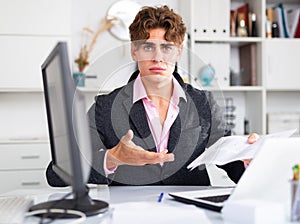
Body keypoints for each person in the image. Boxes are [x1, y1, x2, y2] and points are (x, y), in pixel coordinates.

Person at [46, 5, 258, 186]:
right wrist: (111, 159)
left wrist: (250, 160)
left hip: (190, 214)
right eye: (148, 47)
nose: (158, 57)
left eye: (166, 48)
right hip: (130, 213)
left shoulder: (204, 104)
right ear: (134, 51)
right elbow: (56, 173)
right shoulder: (106, 106)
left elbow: (231, 159)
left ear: (178, 52)